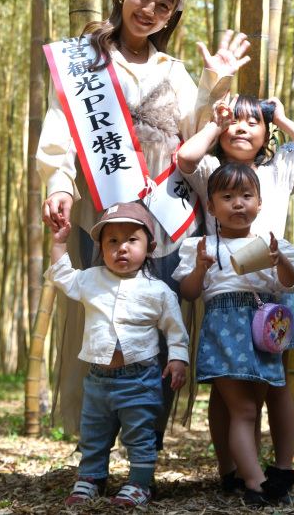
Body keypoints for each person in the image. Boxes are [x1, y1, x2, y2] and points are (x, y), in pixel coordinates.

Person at [37, 0, 249, 440]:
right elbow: (60, 125)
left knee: (160, 313)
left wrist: (215, 79)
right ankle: (95, 442)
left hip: (166, 212)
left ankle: (144, 445)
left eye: (163, 5)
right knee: (101, 314)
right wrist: (59, 183)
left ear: (172, 16)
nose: (149, 9)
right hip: (105, 206)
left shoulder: (174, 70)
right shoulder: (82, 61)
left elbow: (197, 132)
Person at [176, 93, 294, 500]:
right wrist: (215, 121)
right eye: (234, 122)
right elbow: (186, 158)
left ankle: (281, 468)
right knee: (229, 395)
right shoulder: (211, 169)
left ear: (267, 132)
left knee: (276, 385)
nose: (241, 128)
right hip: (226, 289)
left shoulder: (280, 167)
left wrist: (282, 118)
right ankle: (233, 470)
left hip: (273, 286)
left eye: (253, 121)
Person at [46, 201, 188, 507]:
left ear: (150, 248)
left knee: (139, 435)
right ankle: (90, 479)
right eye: (112, 241)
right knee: (93, 435)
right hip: (97, 379)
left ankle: (140, 484)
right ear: (100, 248)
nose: (121, 247)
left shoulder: (159, 291)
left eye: (131, 240)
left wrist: (178, 359)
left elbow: (175, 330)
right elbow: (62, 276)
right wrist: (59, 243)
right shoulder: (91, 279)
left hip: (140, 379)